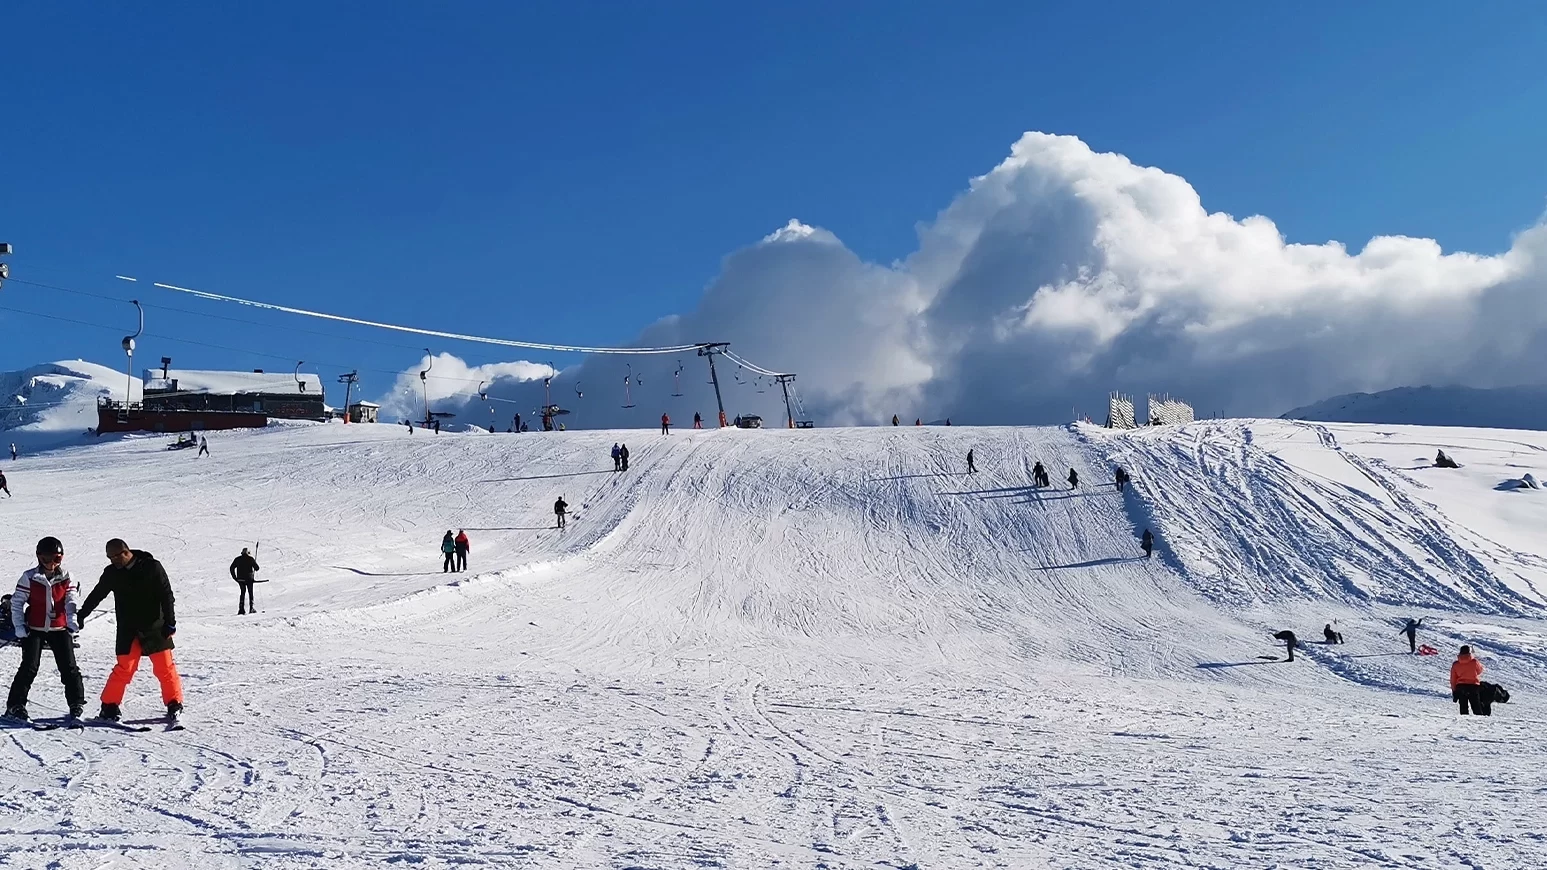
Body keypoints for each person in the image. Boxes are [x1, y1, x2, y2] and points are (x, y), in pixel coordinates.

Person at [77, 539, 183, 722]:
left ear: (125, 552)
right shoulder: (112, 573)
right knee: (124, 668)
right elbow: (98, 594)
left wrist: (170, 622)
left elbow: (166, 595)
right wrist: (82, 614)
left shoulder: (152, 567)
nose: (113, 562)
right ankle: (109, 706)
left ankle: (174, 703)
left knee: (164, 667)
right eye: (109, 558)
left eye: (115, 557)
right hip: (128, 629)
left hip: (155, 626)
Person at [4, 537, 85, 722]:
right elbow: (17, 602)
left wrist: (72, 620)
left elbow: (71, 599)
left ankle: (76, 704)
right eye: (47, 559)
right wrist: (19, 626)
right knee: (29, 667)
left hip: (59, 628)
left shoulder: (66, 576)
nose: (51, 563)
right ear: (39, 557)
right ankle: (15, 706)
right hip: (35, 628)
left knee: (69, 667)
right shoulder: (30, 577)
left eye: (56, 559)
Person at [1450, 645, 1485, 715]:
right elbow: (1480, 671)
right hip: (1473, 686)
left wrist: (1454, 690)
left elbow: (1453, 679)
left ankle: (1464, 723)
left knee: (1463, 708)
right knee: (1476, 707)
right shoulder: (1474, 662)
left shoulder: (1455, 664)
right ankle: (1479, 722)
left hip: (1461, 687)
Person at [229, 547, 260, 615]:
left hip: (240, 579)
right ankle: (251, 608)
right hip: (249, 579)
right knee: (250, 592)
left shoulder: (237, 559)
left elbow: (231, 568)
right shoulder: (250, 559)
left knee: (243, 592)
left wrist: (235, 578)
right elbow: (257, 568)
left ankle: (241, 609)